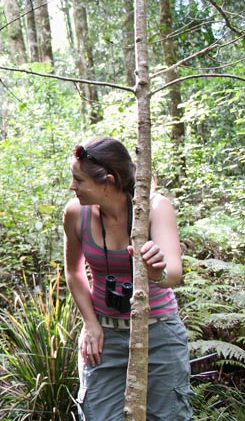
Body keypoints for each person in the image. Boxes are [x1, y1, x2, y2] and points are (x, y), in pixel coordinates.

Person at [62, 136, 193, 420]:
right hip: (103, 336)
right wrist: (91, 324)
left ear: (107, 182)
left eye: (79, 180)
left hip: (158, 333)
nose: (72, 187)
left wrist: (157, 272)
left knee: (168, 415)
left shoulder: (156, 208)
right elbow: (73, 271)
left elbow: (173, 273)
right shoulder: (75, 213)